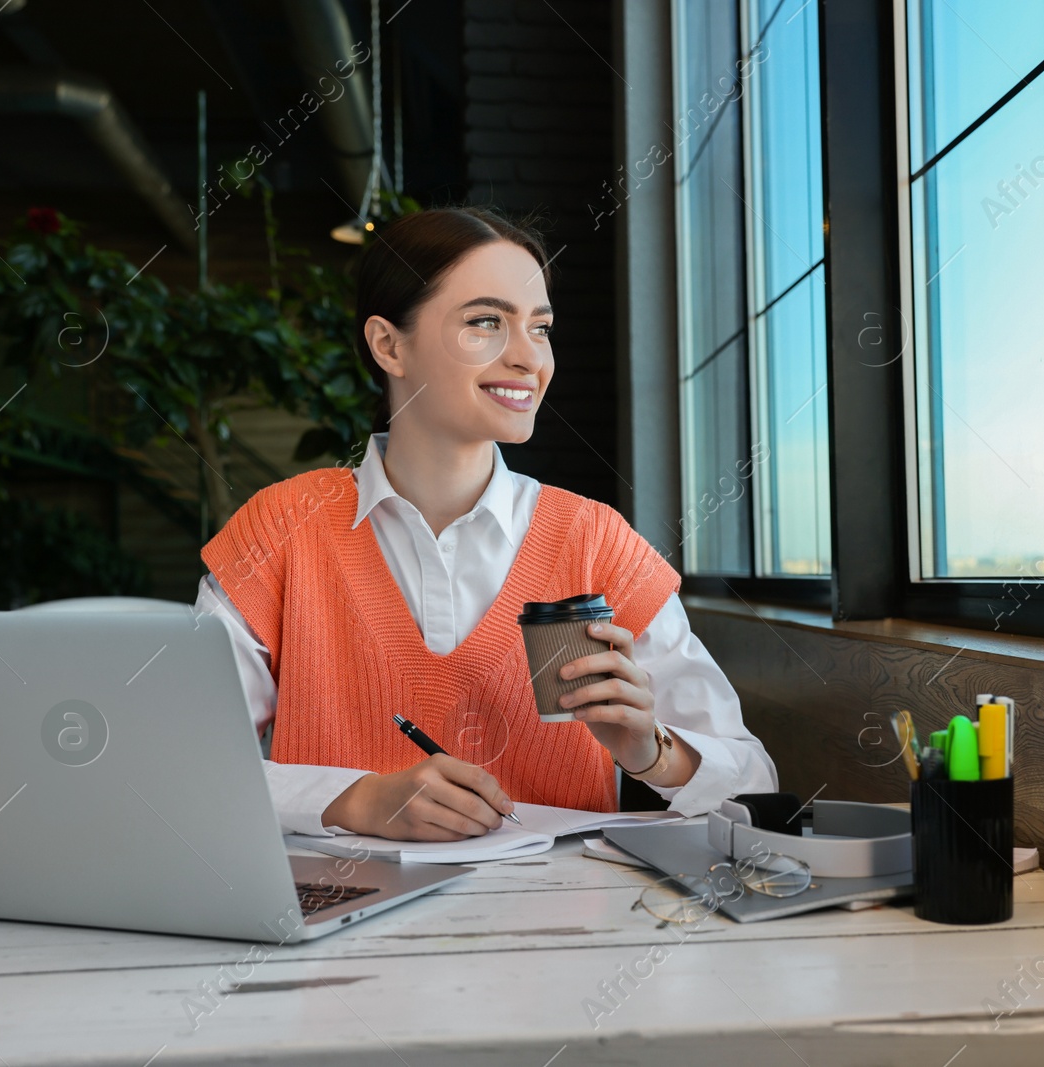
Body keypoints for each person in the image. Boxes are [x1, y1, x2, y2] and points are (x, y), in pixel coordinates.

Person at [194, 205, 777, 843]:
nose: (530, 358)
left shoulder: (594, 541)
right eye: (486, 322)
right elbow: (182, 761)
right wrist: (354, 800)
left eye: (541, 327)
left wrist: (650, 750)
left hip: (565, 929)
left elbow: (755, 786)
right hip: (339, 929)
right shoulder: (282, 528)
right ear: (390, 345)